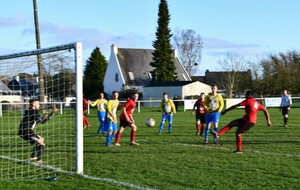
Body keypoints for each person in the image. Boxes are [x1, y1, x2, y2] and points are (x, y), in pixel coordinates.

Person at [18, 98, 58, 163]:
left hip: (25, 131)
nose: (39, 105)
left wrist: (43, 117)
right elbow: (42, 121)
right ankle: (39, 160)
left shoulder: (28, 111)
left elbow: (35, 120)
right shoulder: (34, 112)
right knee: (41, 143)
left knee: (41, 139)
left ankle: (33, 157)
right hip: (26, 132)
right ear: (33, 104)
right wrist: (52, 113)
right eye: (38, 103)